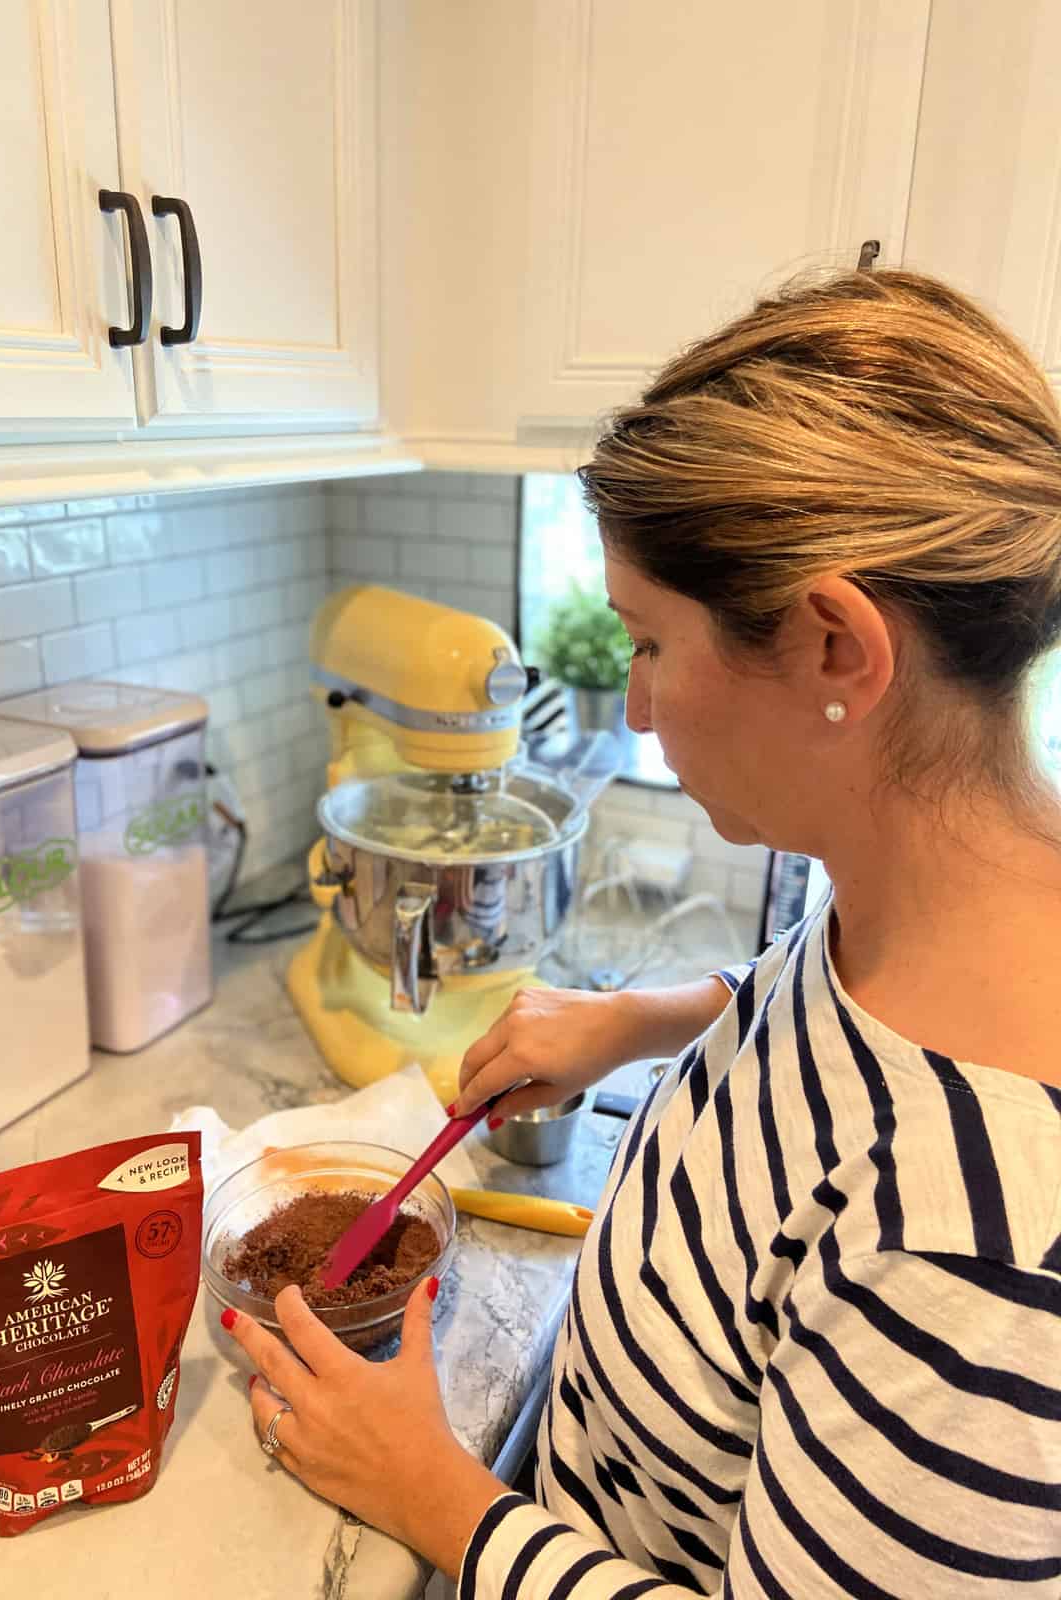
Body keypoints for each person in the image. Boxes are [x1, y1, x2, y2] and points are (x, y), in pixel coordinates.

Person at [223, 268, 1061, 1596]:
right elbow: (847, 1032)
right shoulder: (954, 903)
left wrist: (438, 1496)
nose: (644, 705)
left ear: (837, 646)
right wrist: (650, 1019)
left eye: (651, 641)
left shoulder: (976, 1241)